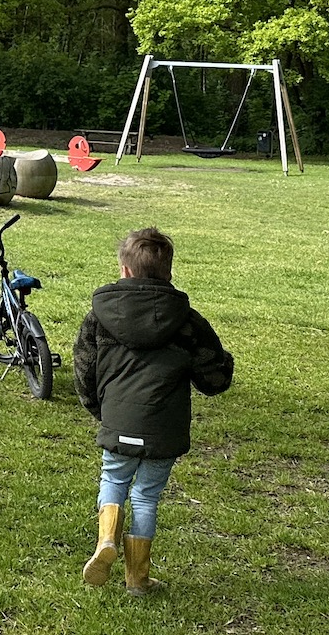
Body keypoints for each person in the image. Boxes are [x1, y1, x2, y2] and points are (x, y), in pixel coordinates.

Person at [71, 227, 232, 595]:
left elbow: (84, 370)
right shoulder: (189, 321)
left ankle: (106, 540)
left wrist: (102, 411)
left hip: (118, 420)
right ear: (169, 273)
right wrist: (226, 364)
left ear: (124, 270)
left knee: (113, 480)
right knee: (146, 495)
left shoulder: (98, 317)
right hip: (165, 428)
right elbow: (214, 378)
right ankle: (137, 579)